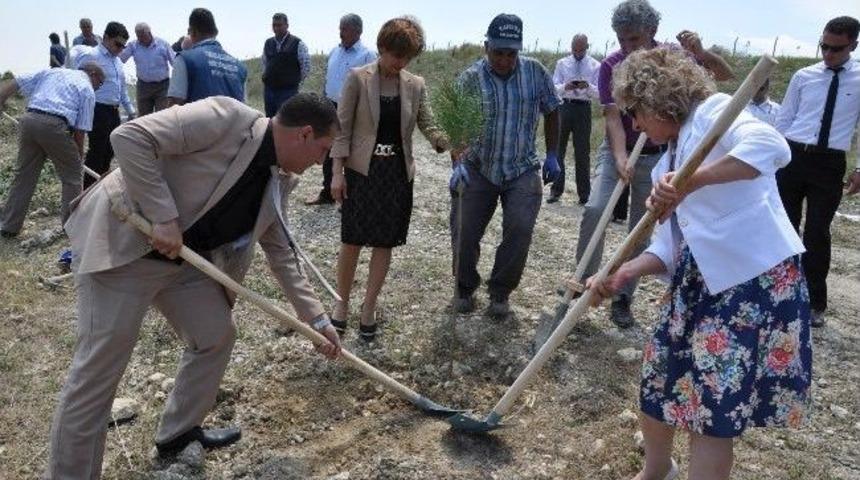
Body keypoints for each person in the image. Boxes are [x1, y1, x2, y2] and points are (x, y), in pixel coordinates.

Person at [46, 93, 342, 478]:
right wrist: (164, 215)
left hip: (182, 261)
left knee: (215, 333)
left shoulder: (280, 178)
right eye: (322, 149)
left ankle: (178, 433)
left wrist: (317, 321)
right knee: (98, 373)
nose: (321, 161)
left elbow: (281, 252)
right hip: (125, 245)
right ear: (304, 134)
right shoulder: (225, 117)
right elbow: (129, 136)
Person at [590, 48, 811, 480]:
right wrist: (624, 273)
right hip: (697, 283)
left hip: (751, 285)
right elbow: (669, 247)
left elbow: (772, 147)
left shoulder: (713, 113)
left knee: (710, 407)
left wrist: (693, 181)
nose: (635, 124)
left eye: (636, 111)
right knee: (658, 379)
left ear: (657, 99)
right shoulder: (665, 167)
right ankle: (658, 471)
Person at [572, 0, 734, 328]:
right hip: (618, 148)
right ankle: (584, 286)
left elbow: (725, 77)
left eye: (634, 39)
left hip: (657, 155)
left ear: (652, 32)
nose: (628, 47)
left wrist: (702, 53)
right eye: (621, 40)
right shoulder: (611, 66)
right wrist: (619, 156)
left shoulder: (671, 58)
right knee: (595, 210)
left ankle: (622, 297)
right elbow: (614, 118)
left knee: (641, 225)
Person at [329, 16, 448, 341]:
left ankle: (368, 307)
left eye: (407, 57)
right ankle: (342, 305)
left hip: (396, 174)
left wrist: (444, 140)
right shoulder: (357, 78)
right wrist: (337, 174)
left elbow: (428, 122)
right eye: (397, 55)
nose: (401, 63)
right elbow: (342, 129)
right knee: (352, 240)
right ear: (382, 48)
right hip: (361, 172)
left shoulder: (415, 84)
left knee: (385, 242)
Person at [449, 13, 561, 317]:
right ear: (487, 47)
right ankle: (464, 287)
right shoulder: (470, 78)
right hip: (478, 166)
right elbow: (456, 125)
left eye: (511, 53)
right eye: (498, 52)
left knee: (520, 229)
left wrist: (552, 153)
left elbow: (552, 110)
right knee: (465, 230)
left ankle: (500, 292)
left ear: (519, 50)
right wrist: (456, 161)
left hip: (521, 168)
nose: (504, 60)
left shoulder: (535, 72)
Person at [775, 15, 860, 327]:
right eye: (823, 46)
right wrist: (775, 157)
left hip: (829, 163)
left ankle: (814, 303)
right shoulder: (803, 76)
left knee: (817, 233)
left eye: (836, 49)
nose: (827, 53)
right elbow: (784, 120)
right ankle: (778, 293)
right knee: (783, 226)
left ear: (853, 44)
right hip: (794, 156)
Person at [0, 63, 103, 238]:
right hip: (55, 125)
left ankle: (9, 226)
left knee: (24, 175)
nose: (98, 88)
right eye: (99, 84)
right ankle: (72, 227)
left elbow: (17, 81)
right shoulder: (86, 88)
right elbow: (80, 129)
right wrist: (78, 154)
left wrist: (1, 99)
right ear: (93, 74)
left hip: (29, 121)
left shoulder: (53, 72)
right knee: (72, 176)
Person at [305, 13, 377, 206]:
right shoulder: (333, 52)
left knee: (352, 152)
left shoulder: (367, 55)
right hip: (331, 106)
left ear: (358, 31)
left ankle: (350, 198)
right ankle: (328, 193)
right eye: (340, 28)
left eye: (344, 29)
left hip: (354, 109)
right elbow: (329, 80)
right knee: (329, 150)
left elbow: (371, 86)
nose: (340, 32)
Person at [71, 21, 136, 189]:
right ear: (106, 38)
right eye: (118, 44)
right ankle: (87, 191)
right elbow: (78, 81)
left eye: (123, 46)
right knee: (97, 152)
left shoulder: (118, 63)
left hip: (113, 112)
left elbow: (122, 91)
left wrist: (130, 111)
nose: (121, 49)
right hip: (96, 109)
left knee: (110, 151)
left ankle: (101, 189)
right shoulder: (92, 55)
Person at [549, 33, 600, 205]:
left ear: (587, 47)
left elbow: (600, 93)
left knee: (582, 152)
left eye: (581, 49)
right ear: (571, 46)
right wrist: (566, 86)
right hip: (564, 106)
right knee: (558, 150)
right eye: (574, 49)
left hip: (583, 109)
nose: (577, 52)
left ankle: (584, 195)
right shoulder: (562, 63)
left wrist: (588, 87)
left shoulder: (595, 65)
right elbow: (553, 88)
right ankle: (556, 190)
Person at [168, 8, 247, 106]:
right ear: (215, 32)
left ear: (192, 32)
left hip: (197, 121)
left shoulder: (184, 59)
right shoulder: (240, 67)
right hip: (235, 121)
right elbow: (244, 106)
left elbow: (175, 105)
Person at [120, 23, 175, 115]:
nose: (140, 39)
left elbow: (175, 63)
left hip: (162, 87)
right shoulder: (133, 45)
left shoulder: (163, 44)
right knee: (143, 117)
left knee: (162, 116)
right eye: (138, 36)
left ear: (149, 33)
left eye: (142, 36)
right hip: (143, 86)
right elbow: (120, 59)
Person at [261, 13, 311, 117]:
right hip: (270, 90)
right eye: (274, 25)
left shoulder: (298, 43)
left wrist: (294, 82)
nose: (276, 28)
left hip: (288, 91)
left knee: (286, 120)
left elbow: (305, 67)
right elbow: (265, 64)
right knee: (270, 120)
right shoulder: (268, 43)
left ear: (287, 25)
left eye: (279, 25)